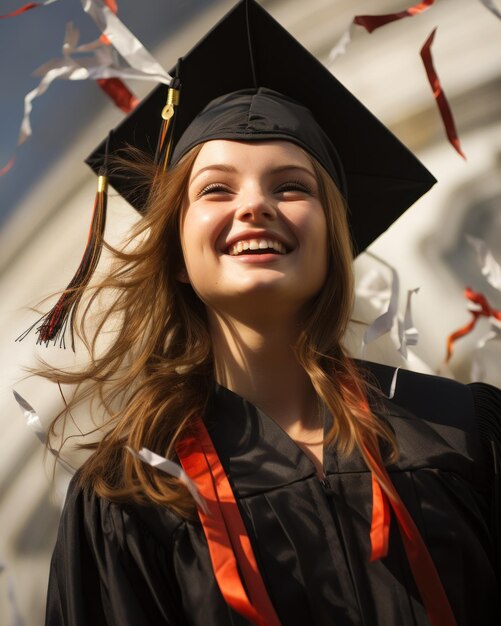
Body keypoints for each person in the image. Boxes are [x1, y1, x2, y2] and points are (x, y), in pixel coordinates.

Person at [39, 1, 501, 625]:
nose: (255, 206)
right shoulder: (133, 497)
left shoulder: (460, 431)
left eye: (291, 186)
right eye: (217, 189)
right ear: (177, 255)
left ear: (333, 243)